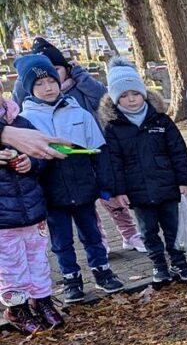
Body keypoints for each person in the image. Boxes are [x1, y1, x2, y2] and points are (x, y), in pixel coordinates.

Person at [17, 37, 146, 252]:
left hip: (93, 150)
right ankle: (101, 241)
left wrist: (80, 74)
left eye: (58, 69)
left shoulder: (79, 86)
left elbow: (102, 97)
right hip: (64, 162)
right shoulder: (36, 97)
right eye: (42, 80)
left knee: (112, 199)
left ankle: (130, 234)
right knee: (86, 207)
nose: (51, 81)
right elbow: (20, 101)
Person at [15, 54, 124, 301]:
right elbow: (27, 162)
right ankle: (71, 278)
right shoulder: (26, 120)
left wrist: (106, 185)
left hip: (84, 188)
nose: (47, 87)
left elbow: (99, 151)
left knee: (92, 234)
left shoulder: (80, 113)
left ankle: (102, 271)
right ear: (29, 88)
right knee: (61, 240)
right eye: (39, 84)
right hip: (51, 194)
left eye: (51, 81)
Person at [101, 58, 187, 287]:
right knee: (148, 231)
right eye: (124, 96)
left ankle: (178, 261)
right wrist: (119, 190)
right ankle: (159, 265)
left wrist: (184, 180)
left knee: (173, 228)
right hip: (138, 191)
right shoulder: (114, 128)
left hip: (167, 185)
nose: (131, 99)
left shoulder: (161, 120)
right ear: (116, 99)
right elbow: (113, 162)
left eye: (135, 93)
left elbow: (178, 151)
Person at [0, 98, 63, 332]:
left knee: (38, 260)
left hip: (32, 210)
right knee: (10, 266)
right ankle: (17, 309)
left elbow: (43, 154)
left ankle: (42, 300)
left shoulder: (20, 122)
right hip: (3, 219)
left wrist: (31, 162)